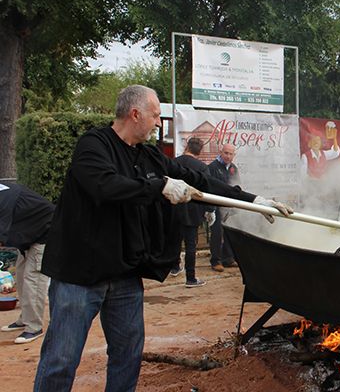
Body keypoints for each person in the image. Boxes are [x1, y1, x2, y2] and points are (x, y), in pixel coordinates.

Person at [33, 85, 292, 391]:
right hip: (80, 275)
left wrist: (252, 200)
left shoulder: (149, 155)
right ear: (135, 113)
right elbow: (105, 186)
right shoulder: (94, 145)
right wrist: (158, 188)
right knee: (61, 359)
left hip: (125, 273)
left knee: (128, 355)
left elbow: (200, 181)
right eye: (155, 115)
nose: (158, 123)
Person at [0, 182, 54, 344]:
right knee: (22, 277)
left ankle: (33, 327)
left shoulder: (3, 199)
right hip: (28, 236)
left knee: (33, 281)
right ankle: (25, 318)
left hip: (47, 233)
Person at [165, 137, 215, 287]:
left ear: (187, 146)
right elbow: (207, 189)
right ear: (200, 151)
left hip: (173, 207)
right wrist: (210, 210)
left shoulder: (173, 162)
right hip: (193, 210)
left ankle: (174, 267)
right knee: (190, 245)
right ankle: (190, 278)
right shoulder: (201, 166)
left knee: (174, 240)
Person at [207, 143, 241, 272]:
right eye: (226, 153)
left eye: (230, 154)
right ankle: (215, 261)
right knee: (217, 234)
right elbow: (209, 187)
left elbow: (237, 185)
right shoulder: (212, 167)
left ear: (234, 155)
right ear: (221, 152)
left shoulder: (234, 168)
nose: (228, 156)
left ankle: (228, 259)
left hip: (229, 206)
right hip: (216, 205)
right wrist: (210, 209)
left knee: (229, 232)